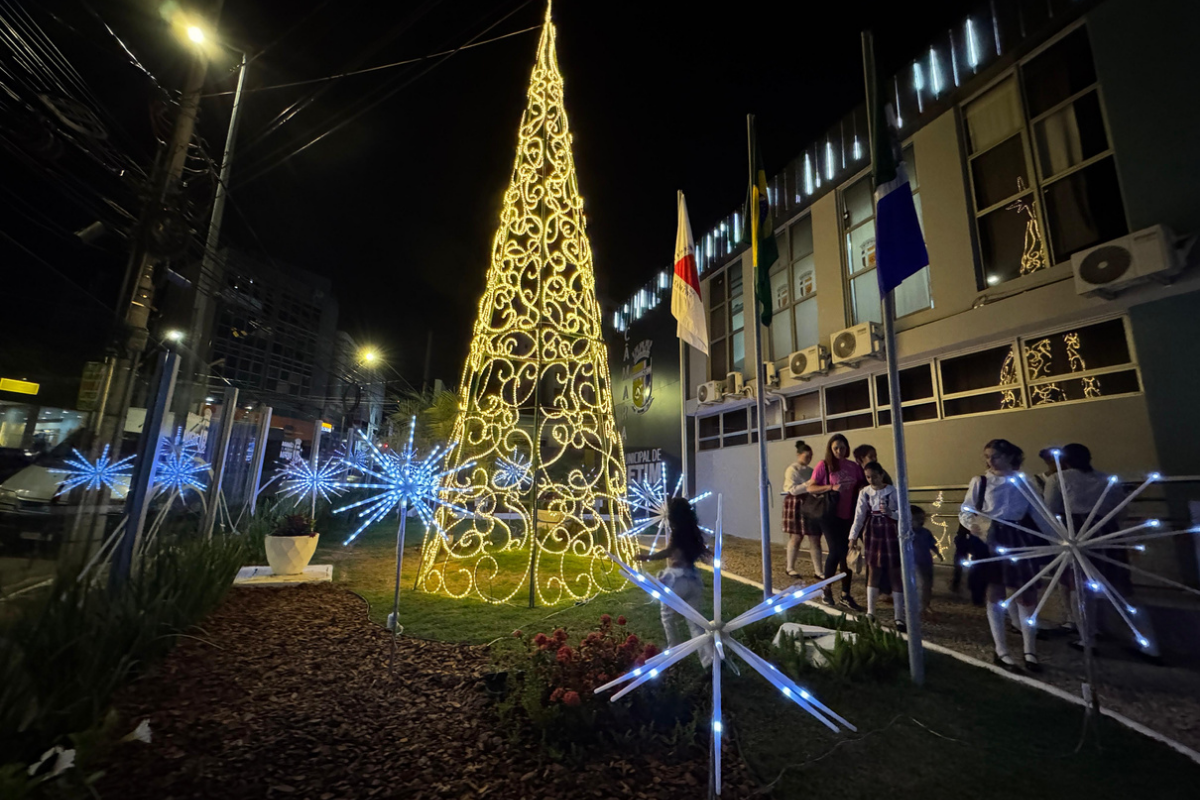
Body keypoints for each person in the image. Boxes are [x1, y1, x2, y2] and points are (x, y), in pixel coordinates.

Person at [1043, 443, 1162, 663]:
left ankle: (1087, 639)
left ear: (1064, 461)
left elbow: (1050, 510)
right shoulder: (1107, 478)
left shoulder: (1058, 479)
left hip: (1076, 534)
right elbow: (1121, 510)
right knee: (1122, 589)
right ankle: (1149, 645)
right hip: (1107, 533)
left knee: (1079, 587)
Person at [959, 439, 1049, 673]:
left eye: (995, 456)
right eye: (987, 456)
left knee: (1026, 591)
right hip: (991, 537)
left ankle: (1030, 650)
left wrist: (1057, 539)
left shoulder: (1024, 481)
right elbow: (966, 510)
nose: (990, 461)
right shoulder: (980, 481)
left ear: (1010, 457)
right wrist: (972, 526)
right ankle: (1002, 650)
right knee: (995, 592)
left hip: (1020, 536)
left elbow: (1039, 513)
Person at [636, 497, 712, 665]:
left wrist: (647, 557)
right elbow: (703, 551)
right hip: (694, 579)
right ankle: (709, 660)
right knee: (695, 623)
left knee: (667, 615)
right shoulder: (694, 532)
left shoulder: (678, 533)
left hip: (677, 580)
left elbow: (669, 551)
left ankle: (674, 650)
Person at [807, 434, 866, 610]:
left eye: (842, 447)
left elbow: (862, 484)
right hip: (830, 515)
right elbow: (811, 487)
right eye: (836, 448)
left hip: (849, 515)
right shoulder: (824, 465)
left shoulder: (853, 467)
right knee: (835, 551)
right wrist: (831, 487)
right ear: (830, 449)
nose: (840, 451)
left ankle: (845, 594)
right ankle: (826, 589)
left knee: (846, 554)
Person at [848, 462, 906, 630]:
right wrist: (852, 537)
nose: (871, 479)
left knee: (895, 572)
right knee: (873, 570)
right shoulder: (865, 493)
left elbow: (904, 513)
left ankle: (899, 616)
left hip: (891, 530)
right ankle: (871, 612)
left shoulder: (893, 491)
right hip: (873, 530)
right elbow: (859, 516)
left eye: (874, 476)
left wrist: (891, 513)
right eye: (868, 477)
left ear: (881, 474)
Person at [853, 443, 893, 598]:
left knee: (884, 555)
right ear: (860, 459)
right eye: (871, 456)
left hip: (885, 519)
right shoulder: (861, 477)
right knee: (873, 557)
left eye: (875, 455)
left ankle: (884, 588)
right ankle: (875, 588)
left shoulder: (880, 472)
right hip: (869, 522)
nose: (875, 458)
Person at [783, 440, 822, 579]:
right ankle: (790, 567)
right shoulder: (792, 469)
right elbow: (793, 490)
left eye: (811, 456)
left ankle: (818, 571)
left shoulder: (812, 471)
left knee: (815, 537)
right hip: (796, 503)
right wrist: (808, 484)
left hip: (811, 503)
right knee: (796, 536)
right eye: (806, 456)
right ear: (798, 455)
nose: (809, 459)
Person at [911, 506, 941, 618]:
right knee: (921, 585)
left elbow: (932, 544)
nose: (921, 521)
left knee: (928, 584)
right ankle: (920, 607)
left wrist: (938, 553)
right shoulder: (908, 533)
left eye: (922, 519)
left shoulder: (925, 532)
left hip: (927, 561)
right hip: (915, 562)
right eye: (917, 519)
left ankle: (926, 604)